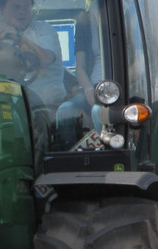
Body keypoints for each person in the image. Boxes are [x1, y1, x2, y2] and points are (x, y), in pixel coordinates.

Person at [0, 0, 66, 106]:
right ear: (2, 9)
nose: (22, 12)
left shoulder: (44, 30)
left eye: (26, 7)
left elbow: (46, 60)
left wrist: (19, 37)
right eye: (16, 7)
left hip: (48, 108)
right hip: (7, 105)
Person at [56, 1, 102, 146]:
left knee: (98, 111)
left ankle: (110, 152)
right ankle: (69, 157)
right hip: (93, 87)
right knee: (65, 110)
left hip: (119, 87)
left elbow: (137, 61)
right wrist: (88, 90)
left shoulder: (127, 17)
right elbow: (80, 68)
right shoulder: (84, 22)